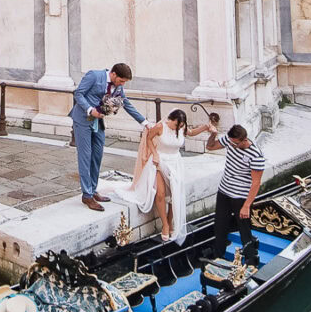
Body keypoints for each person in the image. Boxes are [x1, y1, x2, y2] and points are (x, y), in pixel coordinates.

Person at [107, 109, 213, 242]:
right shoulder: (160, 126)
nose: (178, 128)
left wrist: (205, 127)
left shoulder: (182, 127)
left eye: (180, 126)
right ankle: (165, 225)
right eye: (176, 125)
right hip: (159, 161)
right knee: (160, 193)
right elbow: (148, 138)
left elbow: (191, 133)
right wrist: (155, 154)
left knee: (176, 194)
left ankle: (171, 220)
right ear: (171, 120)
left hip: (175, 163)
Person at [70, 62, 146, 210]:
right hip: (83, 120)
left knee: (97, 156)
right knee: (85, 157)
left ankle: (93, 189)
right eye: (121, 81)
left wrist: (144, 122)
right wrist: (90, 109)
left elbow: (126, 103)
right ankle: (87, 196)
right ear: (113, 74)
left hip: (98, 123)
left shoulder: (118, 86)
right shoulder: (94, 75)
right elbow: (78, 93)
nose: (122, 84)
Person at [204, 117, 266, 265]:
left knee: (243, 228)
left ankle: (251, 259)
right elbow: (211, 147)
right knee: (220, 224)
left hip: (241, 196)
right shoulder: (230, 140)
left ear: (244, 140)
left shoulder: (256, 155)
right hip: (224, 190)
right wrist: (213, 134)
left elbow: (256, 183)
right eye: (230, 142)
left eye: (235, 143)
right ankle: (218, 255)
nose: (231, 145)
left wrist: (247, 205)